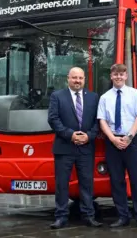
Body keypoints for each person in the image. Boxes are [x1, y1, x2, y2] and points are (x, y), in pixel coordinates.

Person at [97, 63, 137, 229]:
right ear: (111, 76)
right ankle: (123, 216)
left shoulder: (135, 94)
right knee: (117, 181)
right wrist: (113, 139)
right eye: (115, 74)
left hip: (132, 141)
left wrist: (129, 136)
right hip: (112, 142)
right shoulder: (105, 97)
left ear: (126, 76)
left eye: (121, 74)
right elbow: (102, 121)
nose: (118, 77)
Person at [47, 67, 102, 229]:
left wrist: (88, 136)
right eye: (74, 78)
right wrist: (71, 135)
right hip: (64, 147)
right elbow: (53, 119)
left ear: (84, 79)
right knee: (62, 184)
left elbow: (98, 121)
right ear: (68, 79)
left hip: (86, 148)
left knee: (87, 183)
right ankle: (61, 217)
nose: (77, 81)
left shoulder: (93, 97)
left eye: (80, 78)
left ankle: (88, 216)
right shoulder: (57, 96)